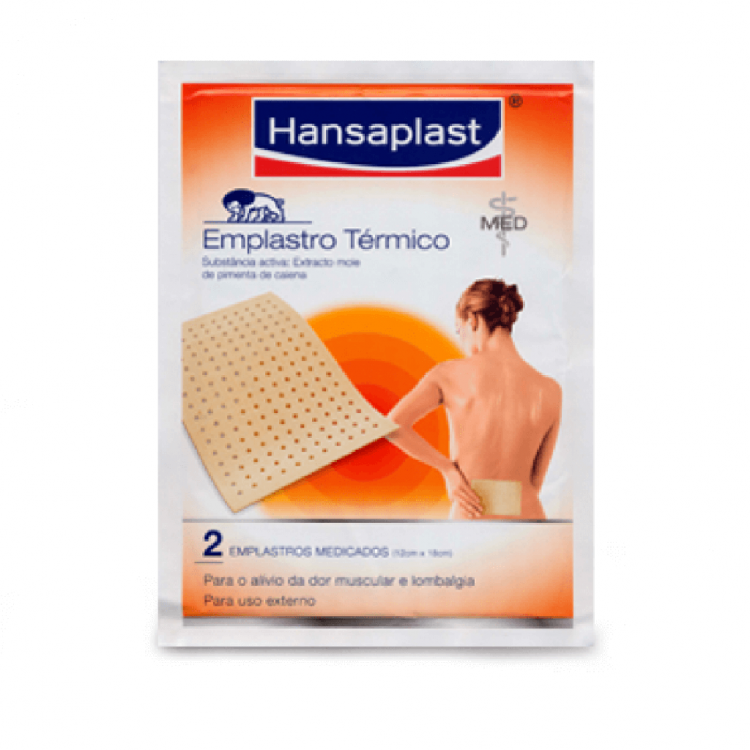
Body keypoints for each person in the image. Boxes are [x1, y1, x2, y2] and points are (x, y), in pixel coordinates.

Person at [387, 279, 561, 520]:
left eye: (459, 330)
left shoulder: (448, 374)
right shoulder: (550, 389)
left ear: (473, 320)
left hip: (472, 517)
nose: (462, 340)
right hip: (529, 520)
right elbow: (535, 482)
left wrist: (448, 469)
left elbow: (393, 425)